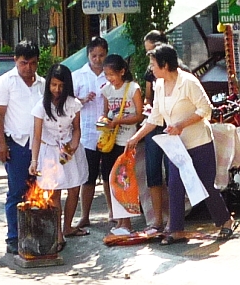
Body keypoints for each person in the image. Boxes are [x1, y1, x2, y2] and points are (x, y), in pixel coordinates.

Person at [127, 44, 238, 245]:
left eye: (153, 64)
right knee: (174, 185)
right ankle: (176, 229)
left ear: (165, 65)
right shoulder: (159, 85)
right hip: (176, 146)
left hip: (199, 142)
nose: (151, 68)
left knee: (205, 185)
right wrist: (135, 138)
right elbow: (155, 117)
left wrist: (181, 124)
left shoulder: (188, 82)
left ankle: (226, 221)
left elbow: (206, 109)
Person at [0, 39, 46, 255]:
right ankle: (14, 237)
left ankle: (38, 235)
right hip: (18, 145)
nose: (28, 68)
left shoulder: (42, 83)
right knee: (17, 192)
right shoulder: (5, 83)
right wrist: (1, 145)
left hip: (41, 146)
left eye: (32, 63)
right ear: (15, 60)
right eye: (24, 63)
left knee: (40, 191)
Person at [28, 63, 89, 252]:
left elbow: (77, 128)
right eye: (53, 85)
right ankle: (58, 235)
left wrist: (73, 145)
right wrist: (34, 161)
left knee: (74, 190)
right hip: (50, 153)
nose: (57, 90)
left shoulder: (73, 104)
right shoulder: (41, 106)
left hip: (70, 151)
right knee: (54, 193)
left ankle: (68, 226)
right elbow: (36, 136)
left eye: (61, 86)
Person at [101, 54, 143, 232]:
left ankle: (127, 222)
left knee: (124, 180)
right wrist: (104, 122)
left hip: (127, 140)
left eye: (112, 74)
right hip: (110, 140)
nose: (110, 79)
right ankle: (119, 219)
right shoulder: (106, 90)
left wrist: (118, 122)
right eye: (106, 75)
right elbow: (104, 113)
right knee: (111, 179)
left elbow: (139, 115)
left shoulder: (133, 88)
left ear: (122, 71)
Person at [72, 37, 111, 227]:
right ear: (88, 55)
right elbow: (68, 104)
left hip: (109, 134)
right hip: (87, 135)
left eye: (101, 55)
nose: (97, 59)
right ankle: (84, 215)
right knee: (88, 177)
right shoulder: (78, 76)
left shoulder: (111, 74)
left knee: (110, 175)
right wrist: (82, 99)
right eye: (94, 55)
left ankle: (113, 213)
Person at [142, 30, 170, 234]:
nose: (150, 58)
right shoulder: (151, 73)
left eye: (152, 52)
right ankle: (157, 220)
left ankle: (174, 219)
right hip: (153, 125)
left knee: (172, 174)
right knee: (152, 172)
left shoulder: (178, 71)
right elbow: (148, 97)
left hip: (171, 128)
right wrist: (147, 106)